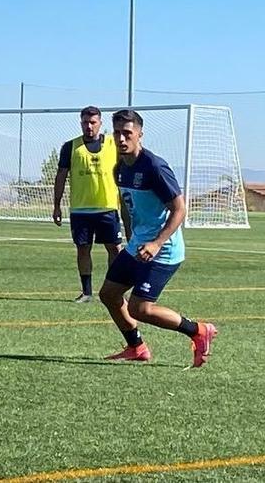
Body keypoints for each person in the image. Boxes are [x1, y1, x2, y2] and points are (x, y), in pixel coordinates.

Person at [98, 109, 216, 367]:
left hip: (164, 250)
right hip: (137, 246)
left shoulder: (154, 167)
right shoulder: (120, 169)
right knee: (109, 294)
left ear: (140, 134)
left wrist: (156, 242)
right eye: (116, 133)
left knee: (139, 309)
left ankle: (197, 330)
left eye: (127, 133)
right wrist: (130, 241)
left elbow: (179, 209)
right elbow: (129, 209)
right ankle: (136, 347)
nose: (121, 138)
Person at [52, 106, 124, 303]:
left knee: (115, 249)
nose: (89, 126)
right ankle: (86, 292)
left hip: (108, 208)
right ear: (80, 123)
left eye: (93, 122)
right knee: (83, 249)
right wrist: (57, 205)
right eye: (85, 122)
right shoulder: (70, 147)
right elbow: (61, 176)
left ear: (100, 123)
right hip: (80, 210)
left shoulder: (113, 143)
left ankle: (116, 290)